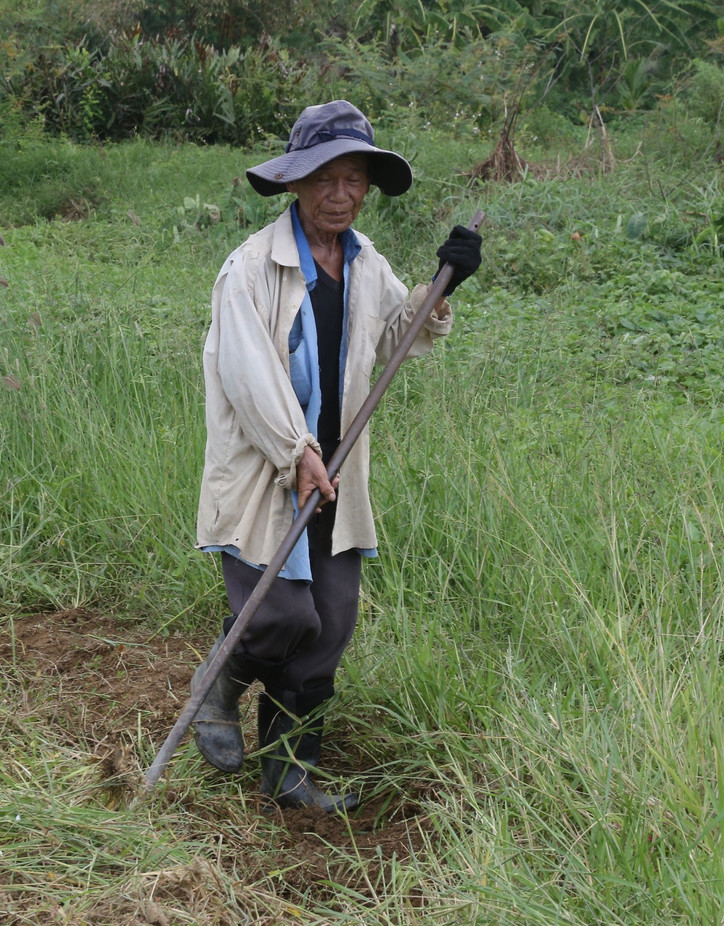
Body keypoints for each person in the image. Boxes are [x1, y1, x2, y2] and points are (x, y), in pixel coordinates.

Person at [191, 100, 482, 812]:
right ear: (296, 183)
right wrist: (296, 454)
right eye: (326, 178)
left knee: (333, 624)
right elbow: (248, 376)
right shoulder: (252, 269)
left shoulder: (365, 261)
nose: (341, 194)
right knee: (280, 618)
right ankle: (219, 685)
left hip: (337, 474)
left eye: (355, 179)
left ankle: (287, 772)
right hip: (270, 471)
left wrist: (440, 291)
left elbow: (392, 341)